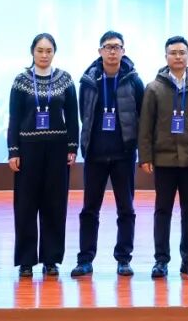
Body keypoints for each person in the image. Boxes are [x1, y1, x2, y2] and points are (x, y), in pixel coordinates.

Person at [137, 36, 188, 279]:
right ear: (166, 57)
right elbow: (145, 125)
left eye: (182, 52)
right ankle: (161, 260)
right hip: (164, 159)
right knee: (162, 210)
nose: (178, 56)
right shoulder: (154, 88)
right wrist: (145, 156)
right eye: (173, 53)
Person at [71, 31, 145, 278]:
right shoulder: (88, 81)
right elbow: (84, 114)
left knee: (126, 209)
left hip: (124, 154)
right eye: (108, 47)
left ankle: (124, 259)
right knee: (89, 209)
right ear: (100, 51)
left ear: (124, 51)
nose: (112, 51)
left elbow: (141, 116)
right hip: (95, 155)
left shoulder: (133, 81)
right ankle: (85, 259)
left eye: (117, 47)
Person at [7, 32, 79, 278]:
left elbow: (73, 117)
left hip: (57, 150)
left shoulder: (65, 80)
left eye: (49, 51)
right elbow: (14, 117)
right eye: (40, 50)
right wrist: (13, 150)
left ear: (54, 52)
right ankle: (26, 260)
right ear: (32, 52)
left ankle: (51, 259)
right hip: (28, 149)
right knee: (26, 205)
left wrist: (72, 147)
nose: (44, 55)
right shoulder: (21, 81)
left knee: (55, 205)